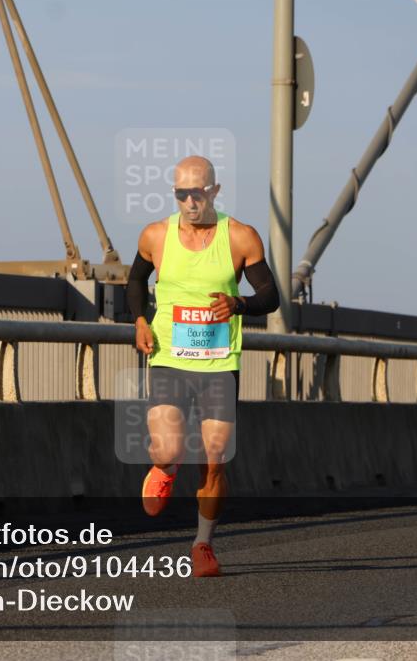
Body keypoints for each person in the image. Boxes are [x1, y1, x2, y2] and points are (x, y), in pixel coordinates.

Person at [126, 155, 280, 578]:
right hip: (169, 359)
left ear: (214, 191)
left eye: (198, 192)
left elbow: (271, 295)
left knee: (214, 459)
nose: (190, 202)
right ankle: (165, 467)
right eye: (181, 194)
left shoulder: (241, 237)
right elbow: (136, 281)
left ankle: (202, 544)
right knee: (169, 447)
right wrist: (140, 320)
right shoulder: (156, 236)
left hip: (218, 364)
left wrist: (240, 303)